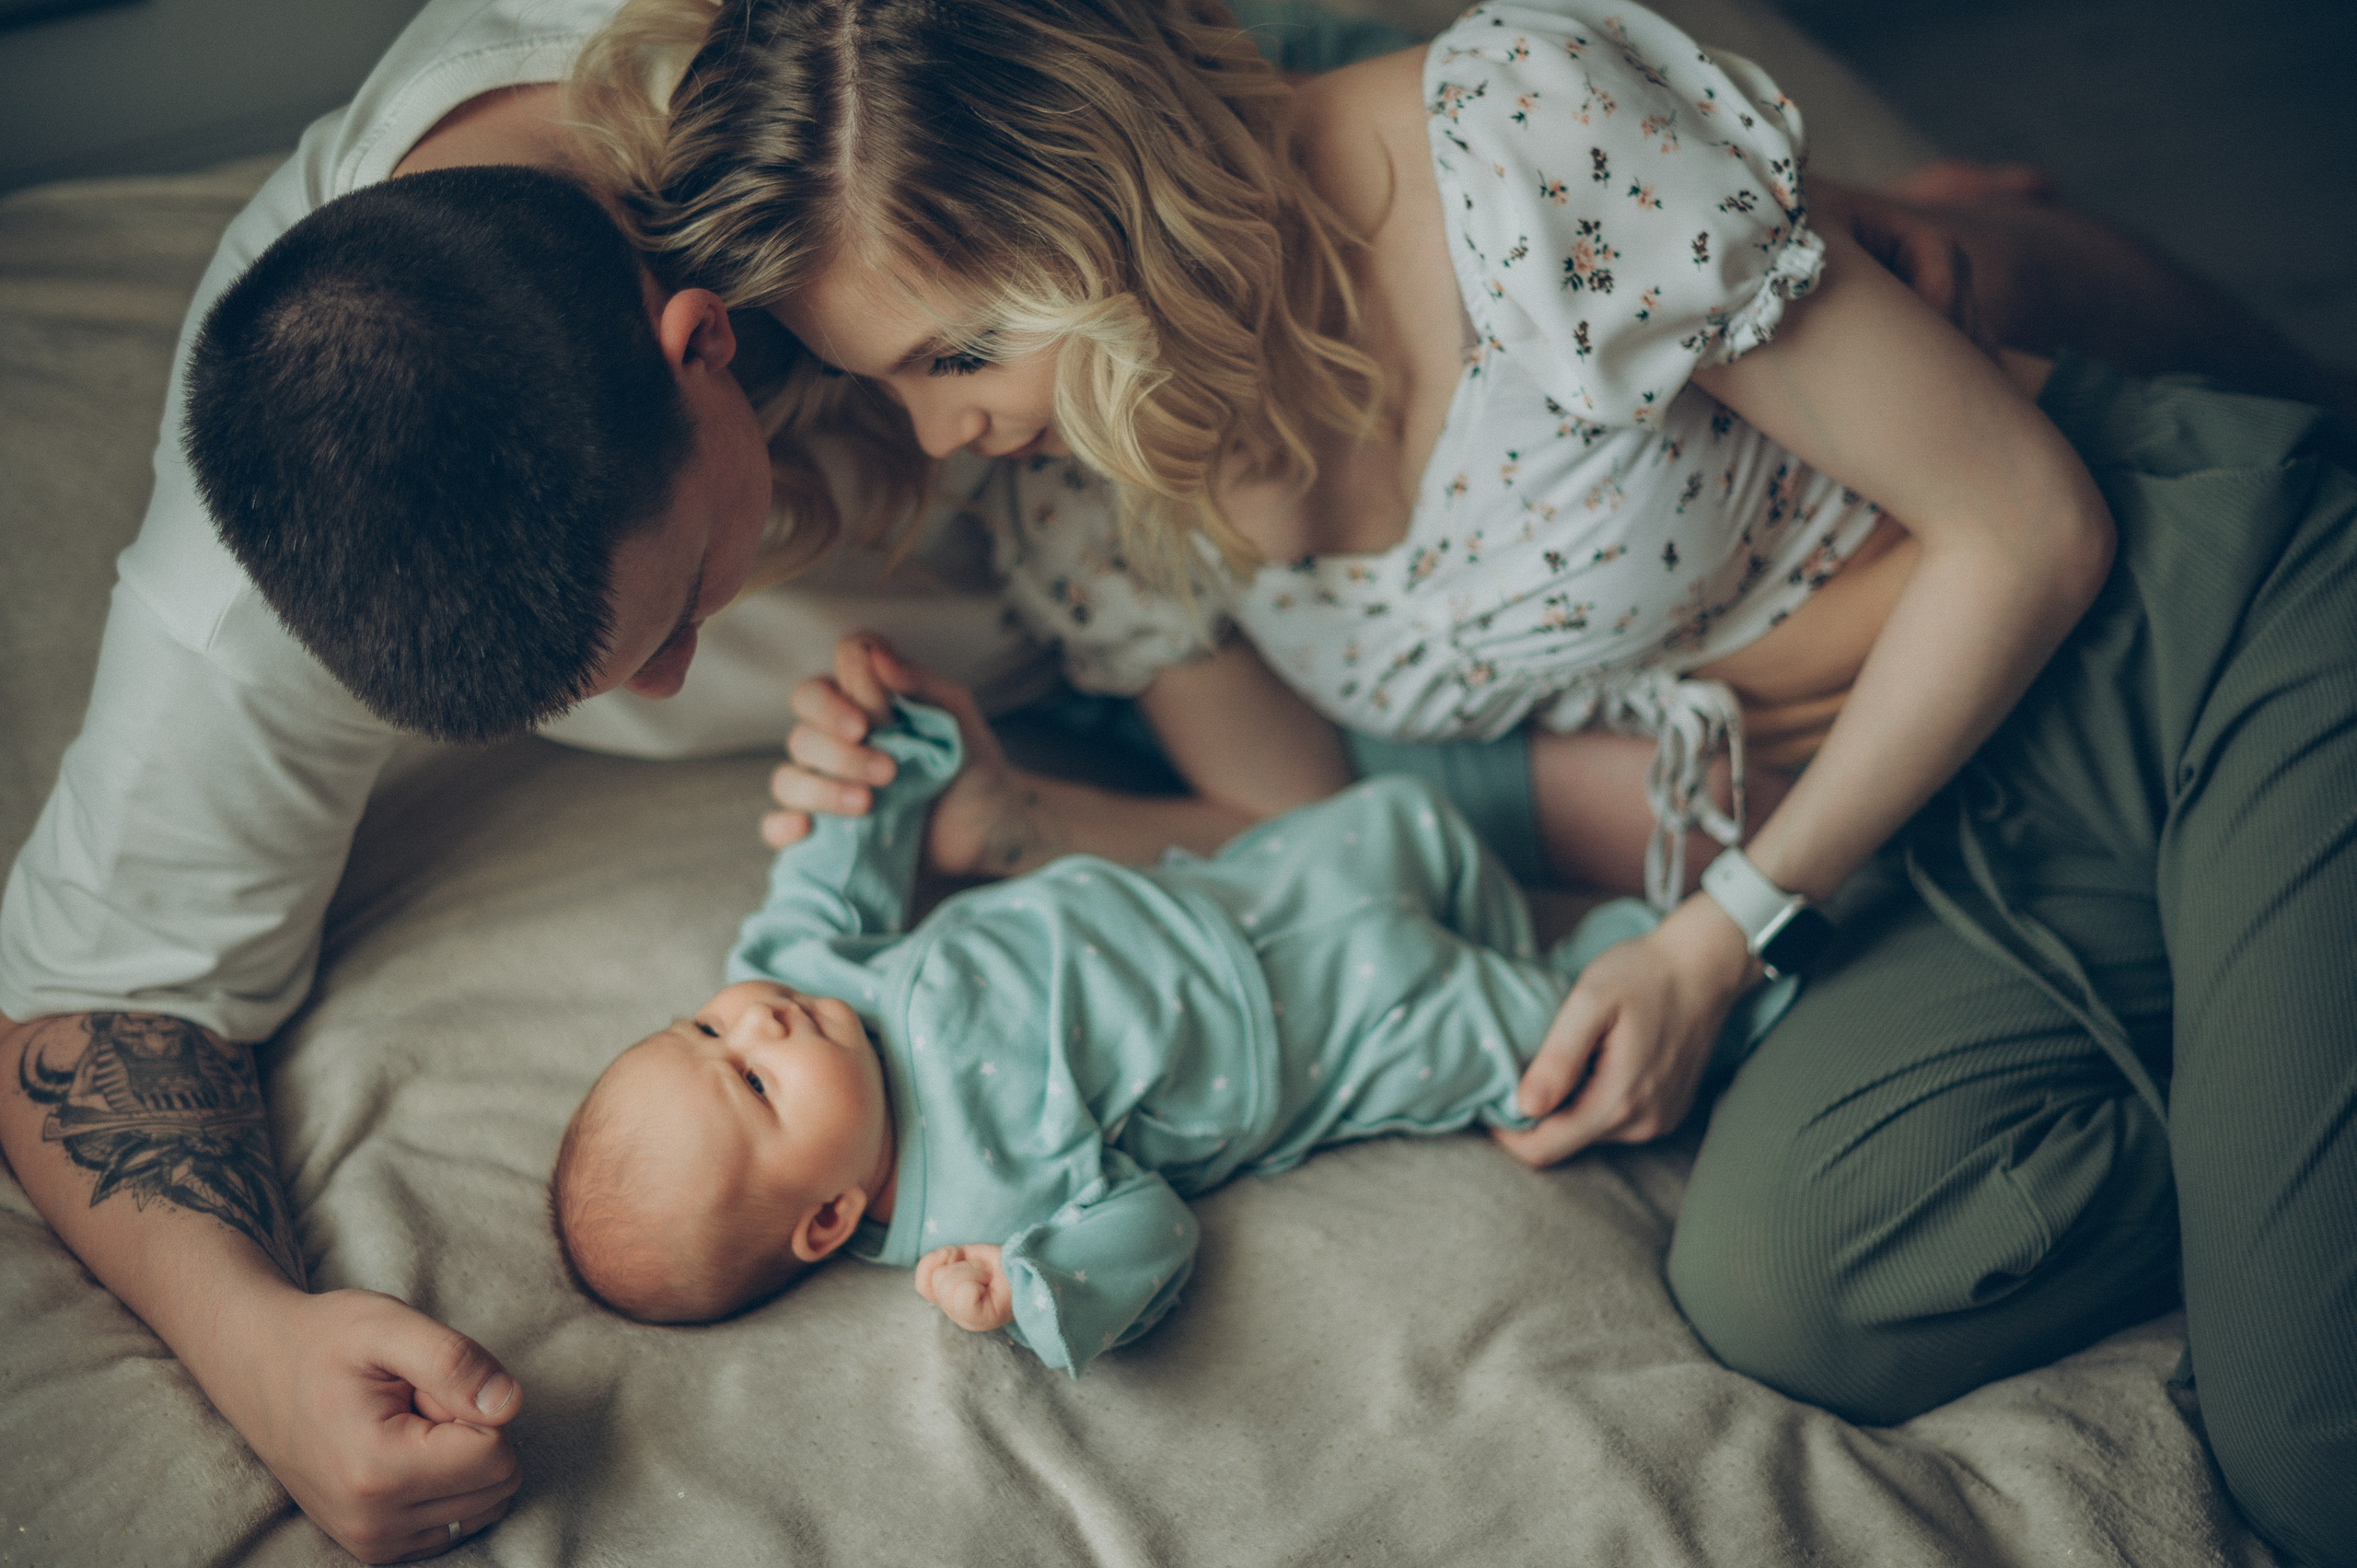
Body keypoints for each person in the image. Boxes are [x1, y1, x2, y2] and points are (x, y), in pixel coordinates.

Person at [0, 0, 2331, 1560]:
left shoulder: (910, 118)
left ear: (713, 346)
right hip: (1777, 779)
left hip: (2066, 583)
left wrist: (1905, 281)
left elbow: (2003, 495)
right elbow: (97, 1010)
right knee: (1807, 1277)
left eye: (678, 604)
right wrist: (260, 1347)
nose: (712, 663)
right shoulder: (299, 572)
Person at [551, 658, 1788, 1362]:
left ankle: (1600, 885)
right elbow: (1147, 1234)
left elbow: (837, 855)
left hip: (1272, 880)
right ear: (826, 1218)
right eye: (753, 1085)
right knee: (1554, 1039)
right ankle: (1740, 968)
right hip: (1337, 1034)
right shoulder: (973, 1211)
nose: (755, 1027)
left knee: (1433, 839)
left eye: (705, 1027)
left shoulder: (812, 971)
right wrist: (1036, 1292)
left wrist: (890, 745)